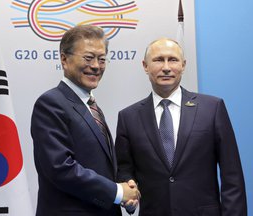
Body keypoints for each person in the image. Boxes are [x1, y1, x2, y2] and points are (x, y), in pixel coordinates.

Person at [115, 38, 247, 215]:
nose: (167, 67)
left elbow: (232, 176)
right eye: (159, 60)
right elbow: (124, 169)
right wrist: (129, 190)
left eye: (173, 60)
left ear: (183, 65)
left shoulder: (212, 108)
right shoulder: (128, 117)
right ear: (145, 66)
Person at [31, 25, 140, 216]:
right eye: (88, 58)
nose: (96, 66)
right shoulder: (50, 103)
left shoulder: (91, 106)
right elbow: (60, 168)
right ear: (64, 59)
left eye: (102, 59)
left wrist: (127, 197)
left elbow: (102, 167)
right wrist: (117, 192)